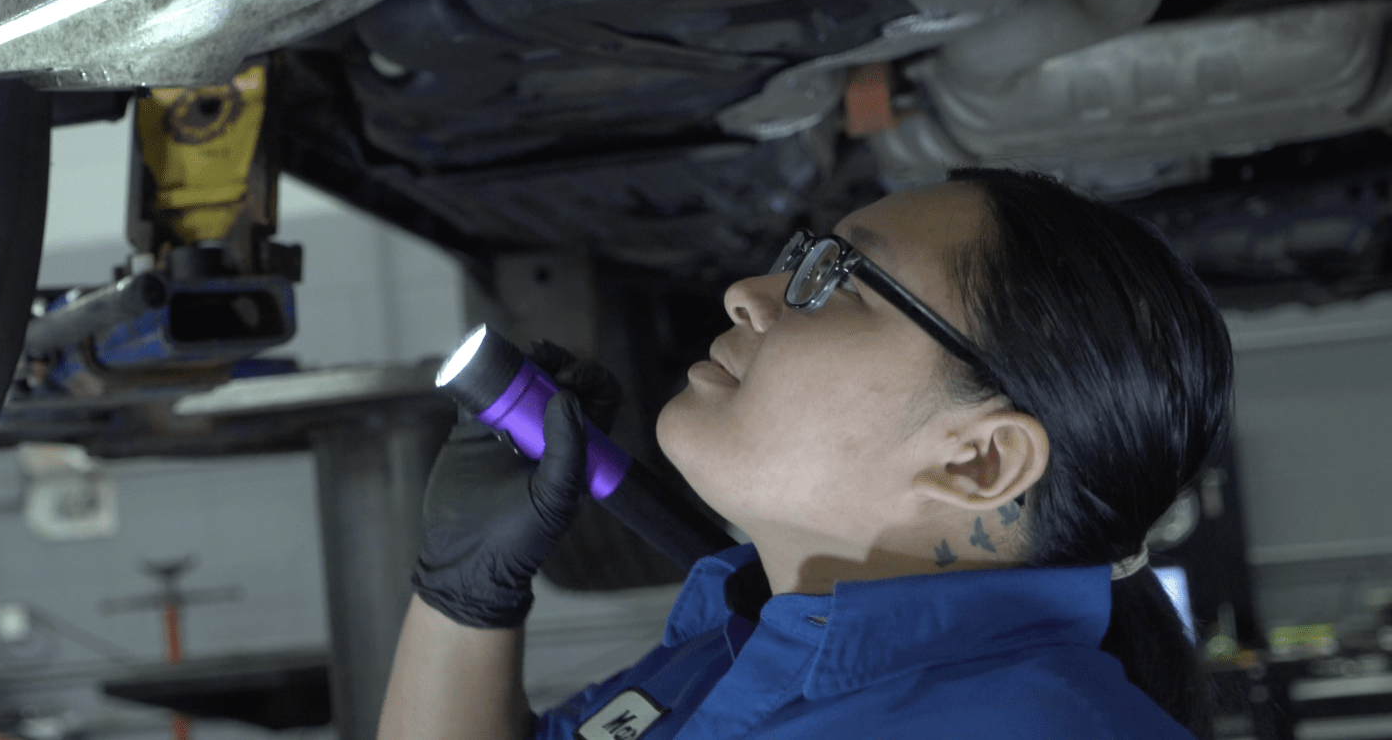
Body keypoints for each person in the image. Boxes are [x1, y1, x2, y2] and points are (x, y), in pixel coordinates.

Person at [377, 167, 1232, 740]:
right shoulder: (740, 638)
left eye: (840, 283)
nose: (746, 295)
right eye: (803, 260)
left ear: (979, 462)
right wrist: (464, 602)